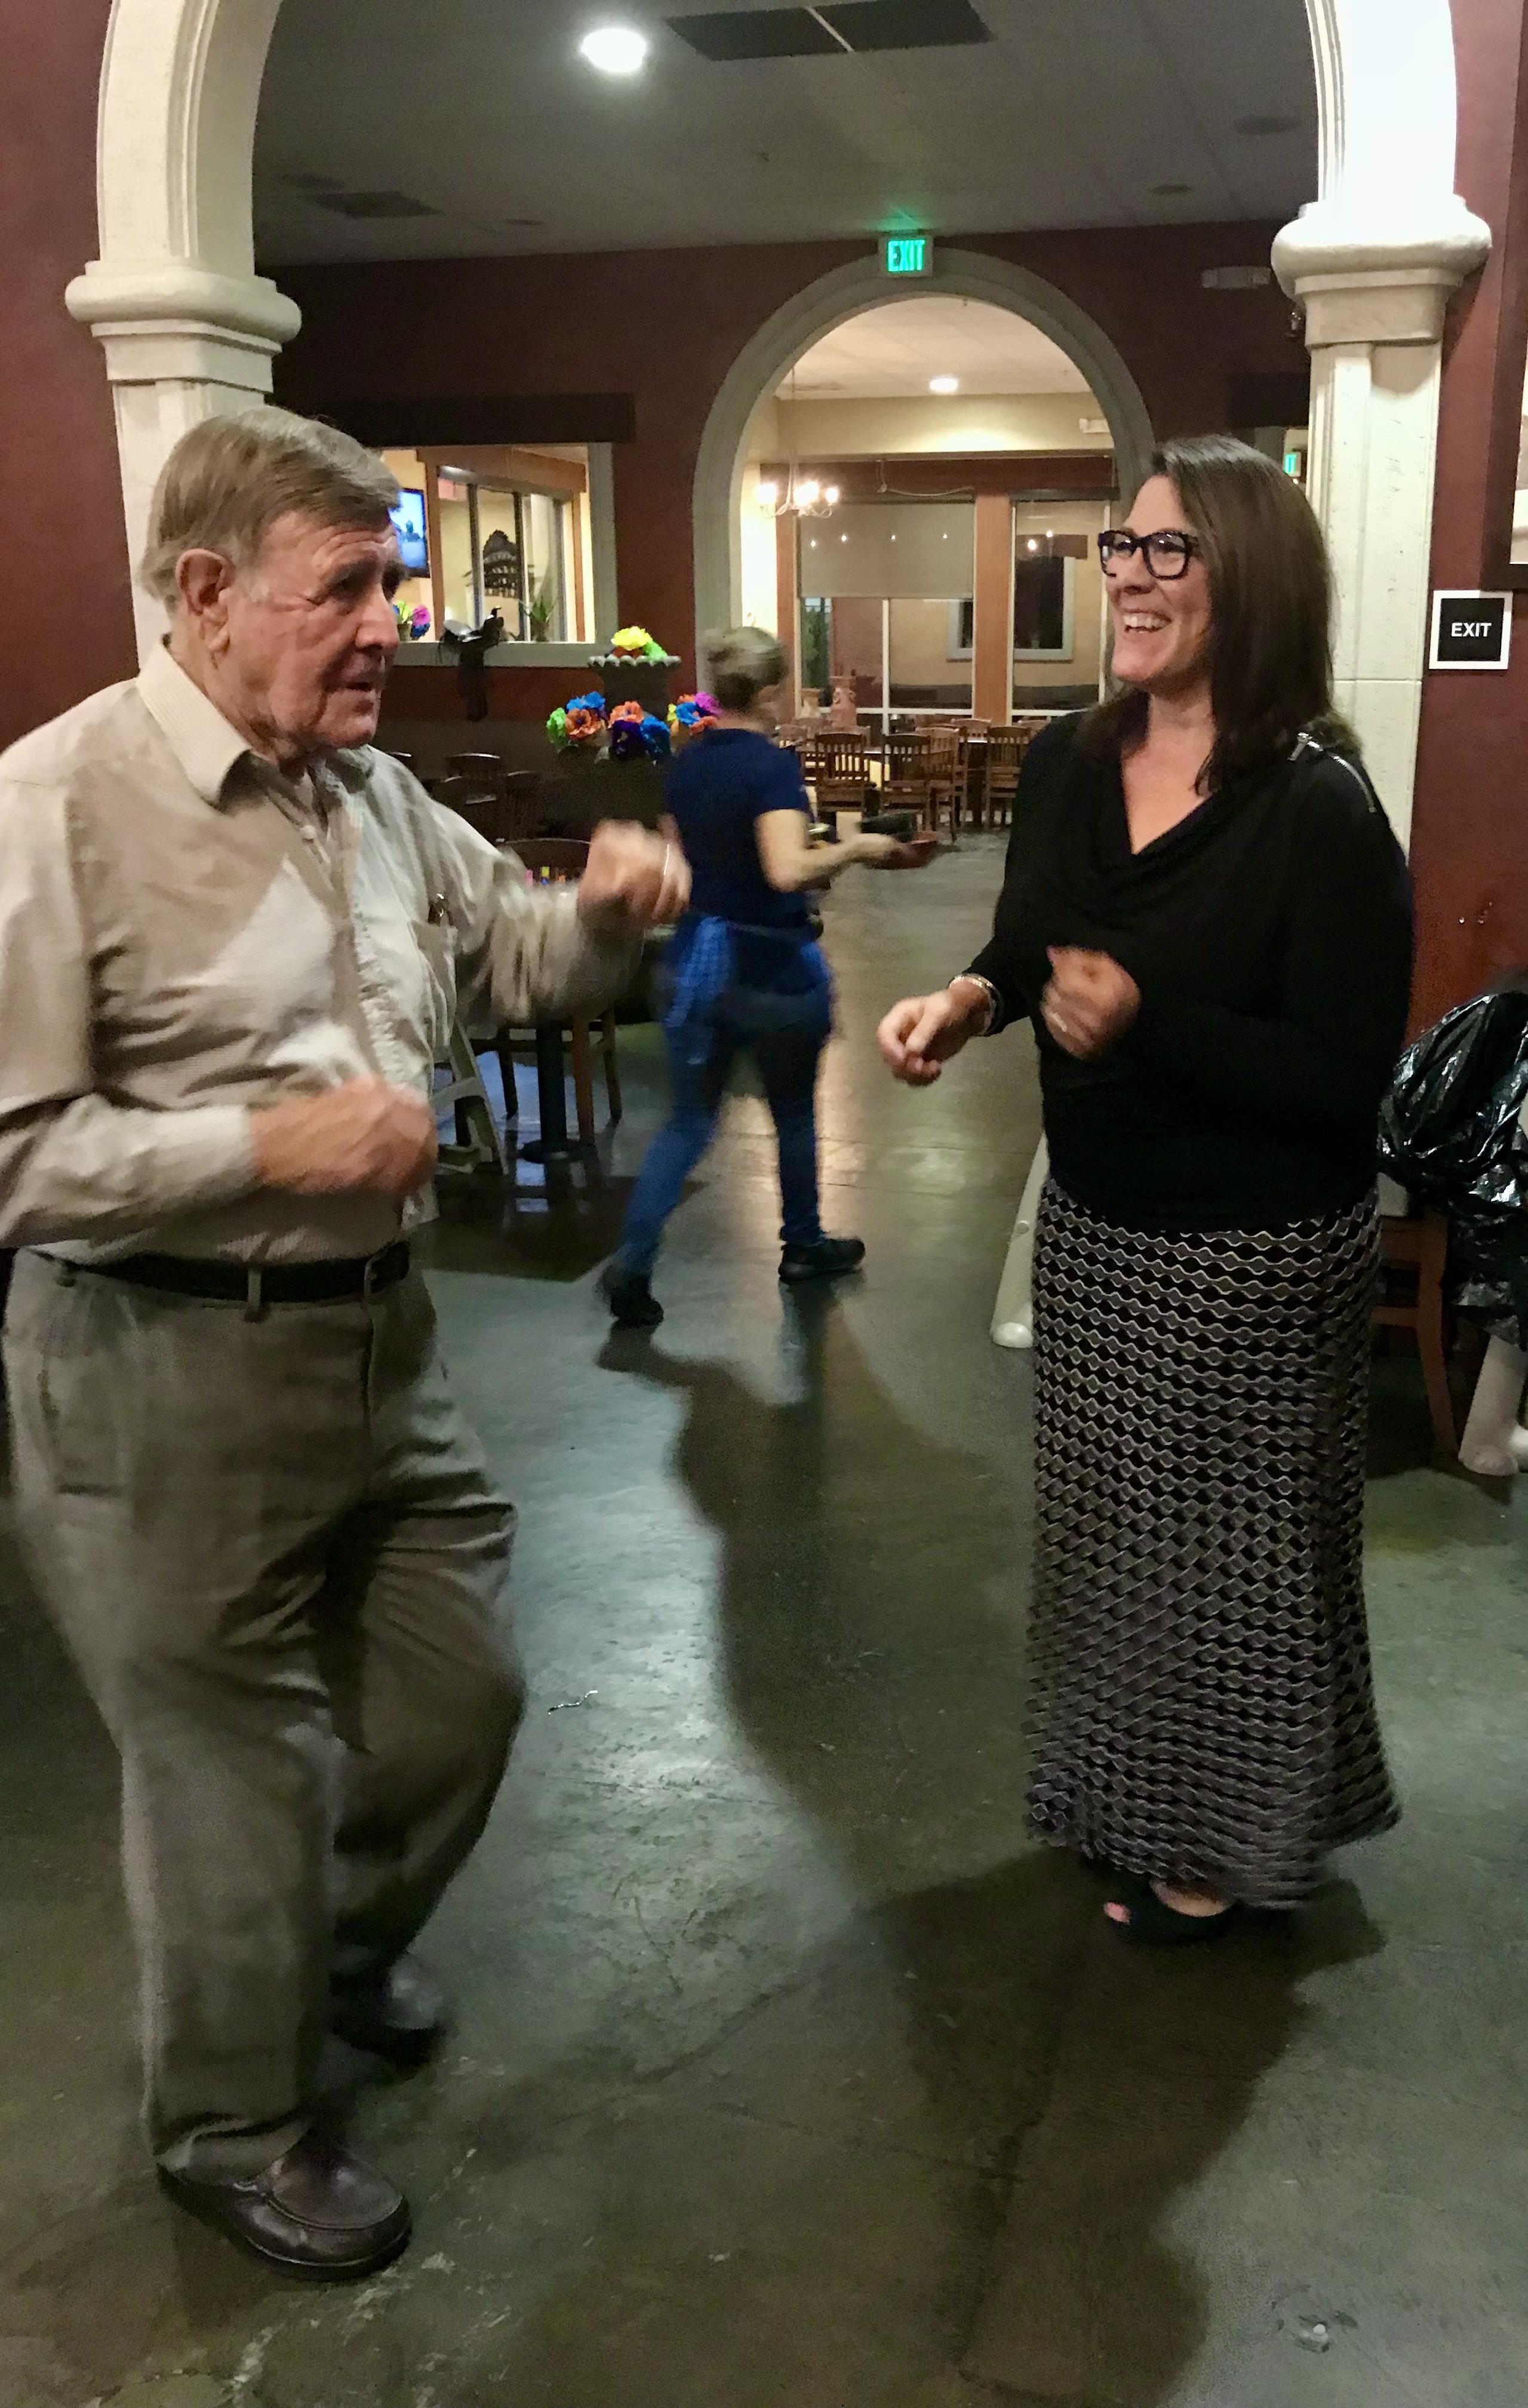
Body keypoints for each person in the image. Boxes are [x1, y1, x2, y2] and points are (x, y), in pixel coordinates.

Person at [0, 407, 687, 2278]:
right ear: (205, 594)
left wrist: (601, 919)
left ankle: (328, 1954)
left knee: (459, 1695)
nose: (392, 622)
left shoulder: (371, 797)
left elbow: (509, 959)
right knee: (231, 1777)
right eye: (349, 587)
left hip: (381, 1344)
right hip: (156, 1368)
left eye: (394, 580)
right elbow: (19, 1156)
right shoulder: (56, 806)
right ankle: (230, 2128)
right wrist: (261, 1147)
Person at [879, 435, 1413, 1942]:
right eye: (1121, 546)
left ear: (1253, 581)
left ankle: (1224, 1853)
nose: (1126, 575)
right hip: (1098, 1230)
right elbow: (1029, 938)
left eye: (1169, 550)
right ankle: (1129, 1799)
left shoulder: (1317, 809)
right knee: (1111, 1548)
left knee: (1231, 1570)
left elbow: (1340, 1076)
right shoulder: (1068, 760)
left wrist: (1146, 1023)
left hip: (1252, 1253)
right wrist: (968, 1000)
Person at [602, 627, 932, 1329]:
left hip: (696, 965)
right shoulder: (772, 768)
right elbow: (785, 870)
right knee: (793, 1112)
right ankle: (803, 1244)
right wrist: (858, 848)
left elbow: (685, 867)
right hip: (771, 972)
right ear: (773, 691)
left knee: (688, 1123)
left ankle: (632, 1262)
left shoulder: (686, 765)